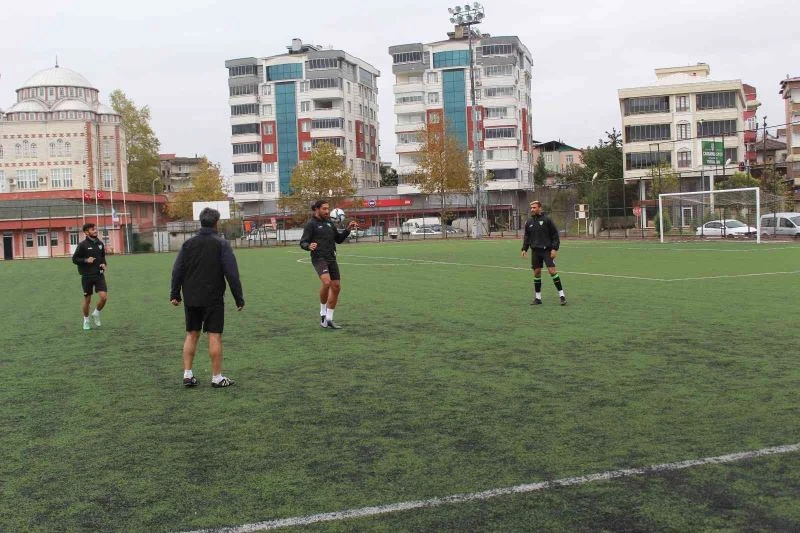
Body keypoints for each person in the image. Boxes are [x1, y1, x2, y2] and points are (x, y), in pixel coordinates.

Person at [170, 207, 244, 388]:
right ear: (216, 223)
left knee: (191, 334)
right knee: (214, 336)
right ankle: (217, 377)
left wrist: (175, 293)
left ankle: (188, 374)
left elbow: (177, 269)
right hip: (213, 297)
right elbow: (231, 272)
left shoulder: (188, 244)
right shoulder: (221, 244)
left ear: (200, 222)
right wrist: (238, 297)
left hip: (191, 296)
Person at [299, 200, 358, 329]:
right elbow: (303, 242)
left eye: (328, 209)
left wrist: (348, 229)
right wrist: (308, 246)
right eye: (324, 209)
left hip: (331, 258)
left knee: (336, 287)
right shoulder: (311, 224)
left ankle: (329, 319)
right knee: (326, 283)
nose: (327, 211)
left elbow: (339, 240)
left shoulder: (329, 223)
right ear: (317, 209)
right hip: (319, 258)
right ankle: (322, 313)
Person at [521, 200, 566, 306]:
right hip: (535, 251)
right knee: (536, 273)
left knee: (552, 271)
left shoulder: (547, 220)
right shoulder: (529, 222)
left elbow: (555, 235)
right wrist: (524, 249)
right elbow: (527, 237)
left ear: (540, 208)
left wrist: (554, 249)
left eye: (534, 207)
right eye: (531, 208)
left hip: (547, 251)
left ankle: (562, 296)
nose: (532, 209)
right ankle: (538, 298)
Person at [71, 222, 108, 330]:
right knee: (87, 301)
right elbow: (74, 259)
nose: (95, 231)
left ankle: (96, 313)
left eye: (95, 229)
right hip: (87, 276)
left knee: (104, 297)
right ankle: (86, 320)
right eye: (93, 229)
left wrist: (104, 264)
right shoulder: (82, 245)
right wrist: (86, 260)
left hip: (99, 275)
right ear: (87, 232)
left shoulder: (100, 244)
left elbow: (102, 258)